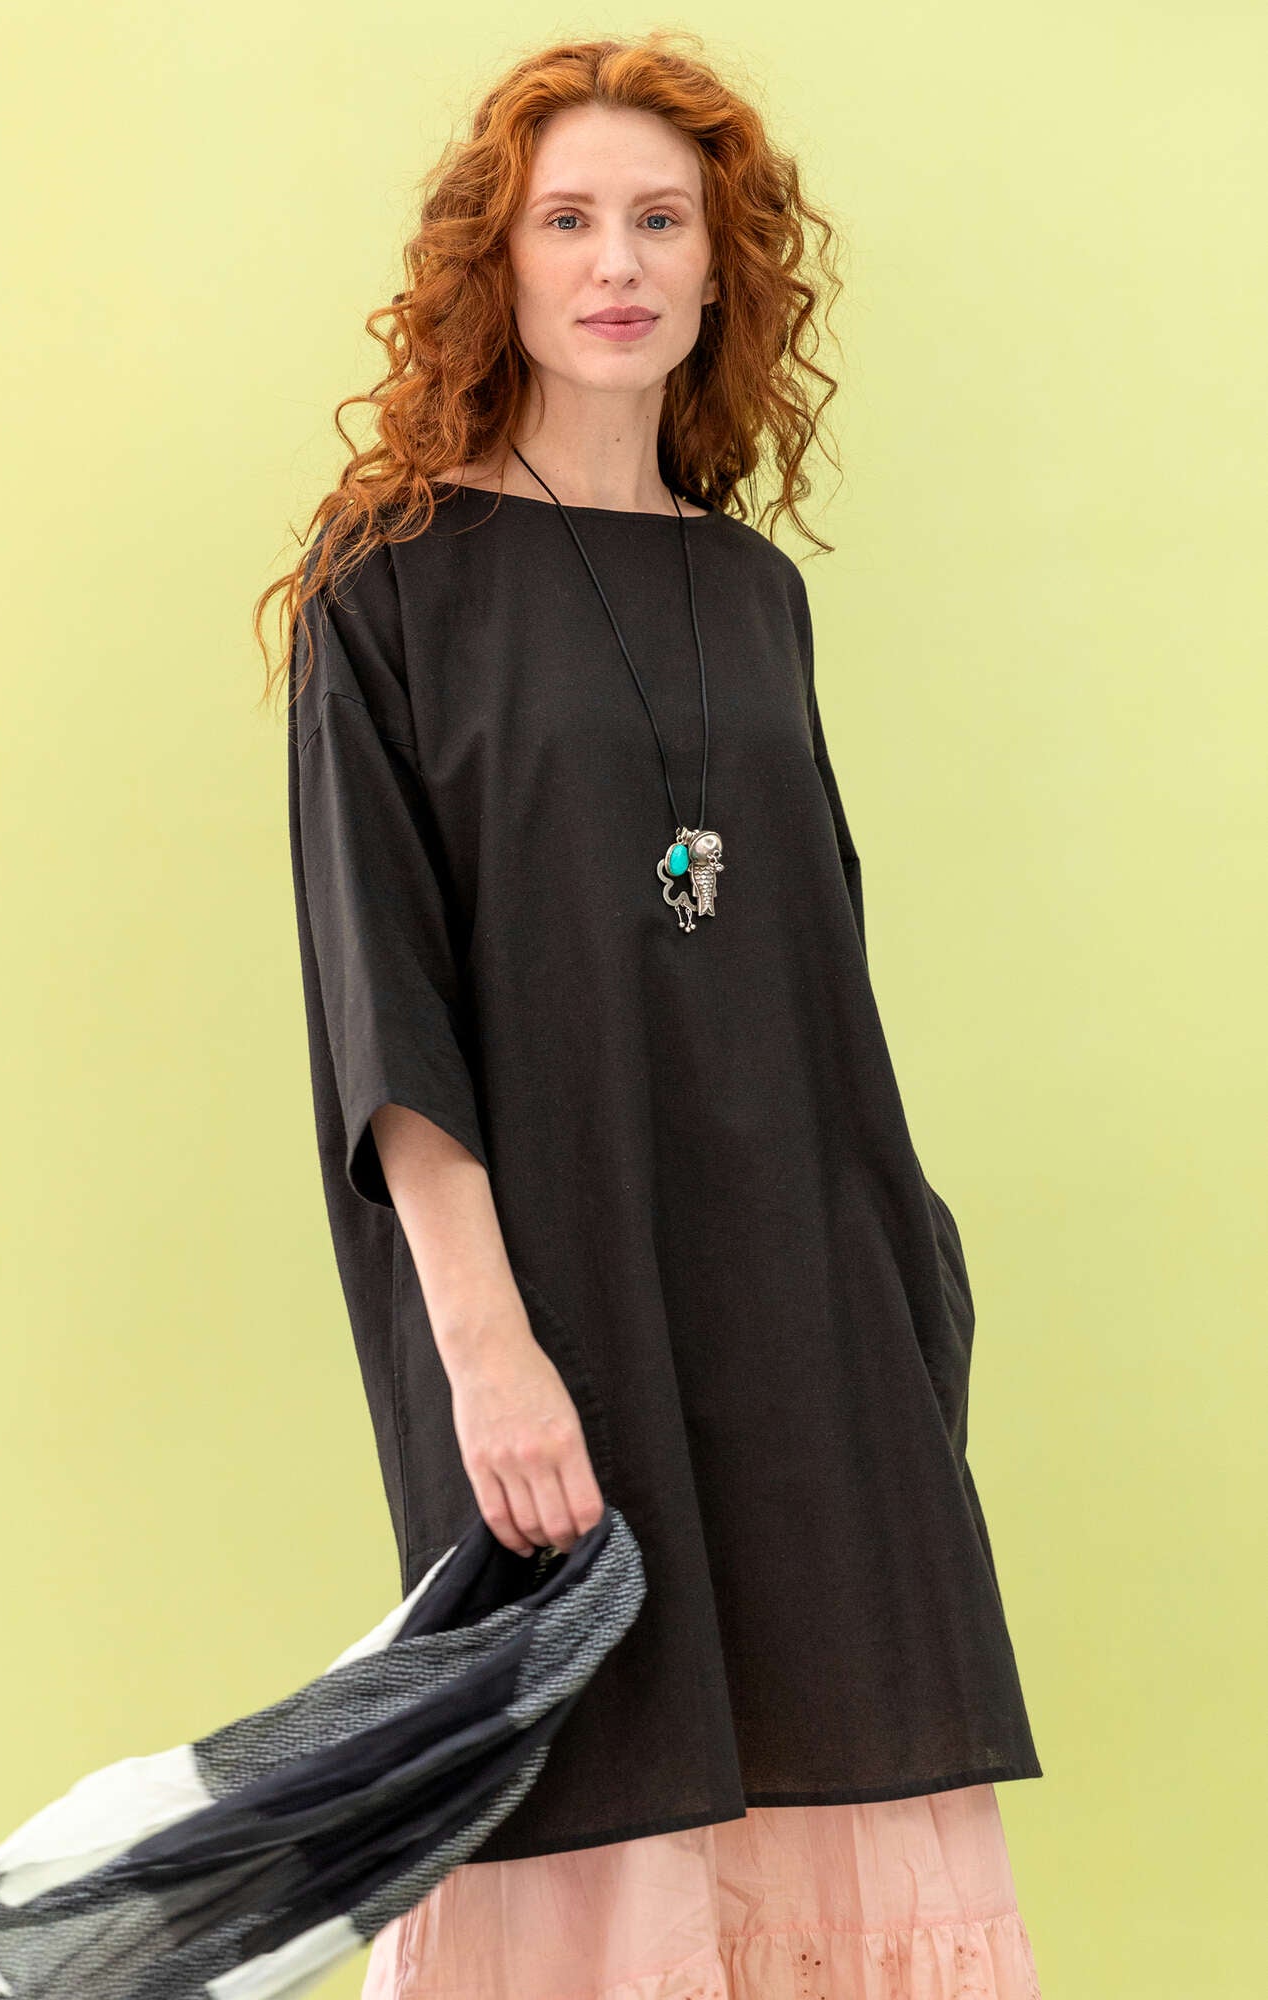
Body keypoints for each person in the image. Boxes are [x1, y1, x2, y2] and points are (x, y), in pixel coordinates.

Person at [262, 29, 1044, 1999]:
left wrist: (916, 1287)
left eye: (660, 221)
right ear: (498, 262)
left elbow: (805, 964)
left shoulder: (757, 593)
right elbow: (384, 1006)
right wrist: (487, 1351)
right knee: (582, 1793)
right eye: (568, 219)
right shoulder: (392, 589)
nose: (615, 261)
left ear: (718, 269)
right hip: (565, 1304)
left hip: (817, 1307)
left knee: (841, 1762)